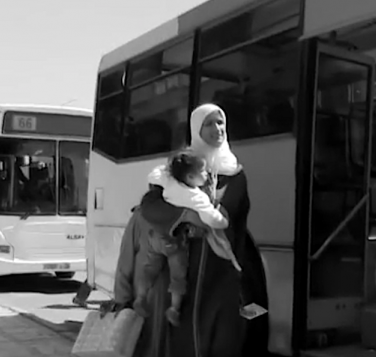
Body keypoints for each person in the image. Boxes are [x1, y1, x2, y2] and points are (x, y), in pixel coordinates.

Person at [101, 103, 265, 357]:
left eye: (220, 122)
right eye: (208, 124)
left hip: (219, 276)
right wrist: (185, 216)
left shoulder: (235, 175)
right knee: (179, 340)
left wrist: (193, 216)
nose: (217, 128)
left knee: (220, 339)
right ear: (196, 129)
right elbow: (150, 206)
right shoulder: (182, 167)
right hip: (180, 273)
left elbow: (225, 216)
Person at [133, 150, 241, 326]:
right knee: (178, 277)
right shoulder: (194, 196)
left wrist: (168, 169)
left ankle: (140, 297)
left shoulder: (169, 182)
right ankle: (174, 309)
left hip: (154, 237)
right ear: (190, 177)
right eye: (203, 172)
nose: (207, 175)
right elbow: (210, 218)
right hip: (174, 242)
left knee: (149, 268)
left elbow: (154, 175)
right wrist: (223, 221)